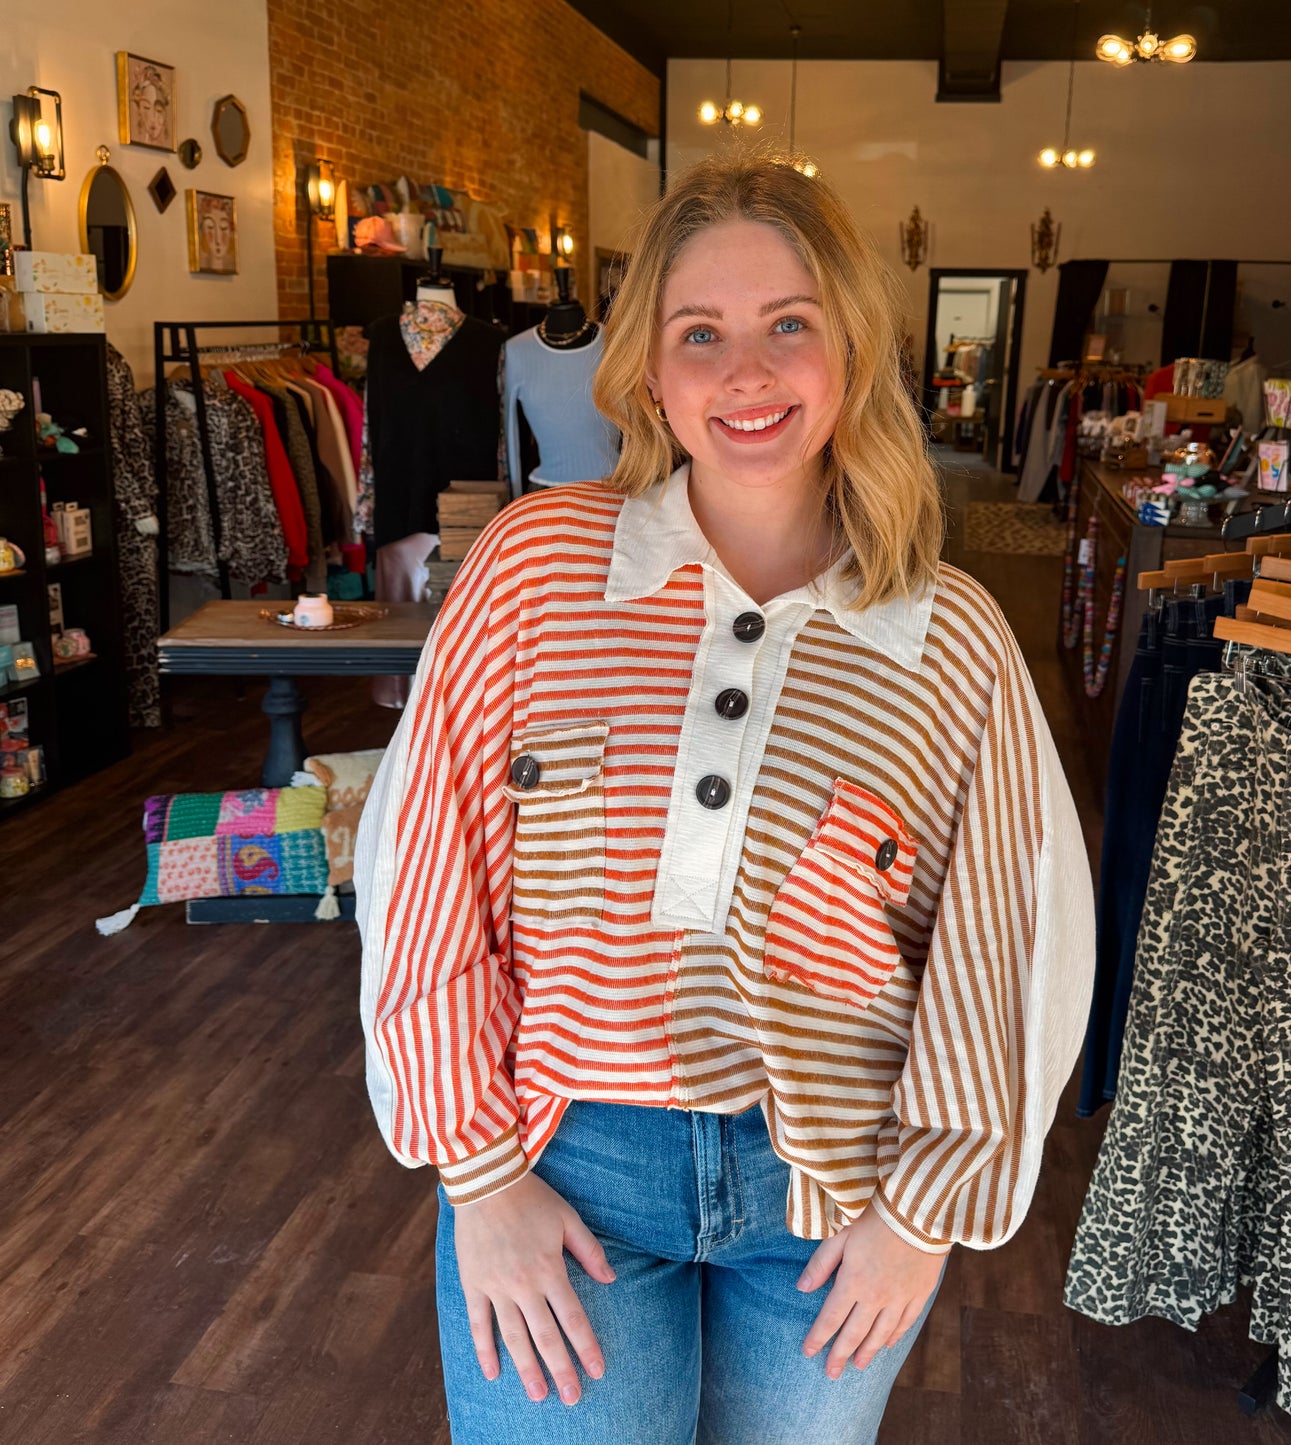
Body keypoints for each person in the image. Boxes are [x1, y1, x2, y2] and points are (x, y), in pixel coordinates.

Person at [356, 146, 1093, 1444]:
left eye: (787, 325)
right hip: (563, 1163)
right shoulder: (536, 570)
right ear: (647, 364)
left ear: (851, 351)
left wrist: (922, 1213)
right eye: (700, 331)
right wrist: (478, 1178)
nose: (744, 373)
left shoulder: (946, 635)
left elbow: (1008, 945)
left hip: (827, 1197)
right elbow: (420, 863)